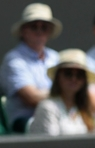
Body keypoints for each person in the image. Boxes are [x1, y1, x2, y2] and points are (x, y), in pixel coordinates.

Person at [2, 3, 62, 132]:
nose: (39, 31)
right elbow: (31, 98)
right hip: (23, 121)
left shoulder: (55, 57)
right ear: (23, 31)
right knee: (49, 128)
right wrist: (65, 93)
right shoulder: (14, 59)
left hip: (59, 115)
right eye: (34, 26)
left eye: (44, 27)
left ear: (49, 31)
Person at [30, 48, 95, 134]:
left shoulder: (83, 109)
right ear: (58, 77)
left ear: (84, 81)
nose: (74, 79)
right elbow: (51, 141)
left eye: (79, 75)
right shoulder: (47, 107)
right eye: (68, 73)